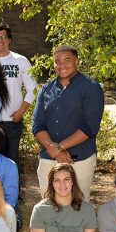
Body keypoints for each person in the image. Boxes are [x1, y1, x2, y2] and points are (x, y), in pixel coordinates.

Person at [32, 45, 104, 202]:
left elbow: (90, 127)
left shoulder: (91, 88)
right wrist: (56, 151)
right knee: (48, 205)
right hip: (48, 158)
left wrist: (59, 147)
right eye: (57, 61)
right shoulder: (46, 89)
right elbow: (37, 125)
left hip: (80, 159)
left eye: (67, 60)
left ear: (77, 61)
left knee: (78, 205)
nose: (61, 65)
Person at [0, 23, 37, 169]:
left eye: (4, 37)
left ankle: (12, 192)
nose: (0, 40)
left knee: (11, 160)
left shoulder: (20, 61)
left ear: (9, 39)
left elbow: (33, 89)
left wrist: (21, 112)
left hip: (12, 120)